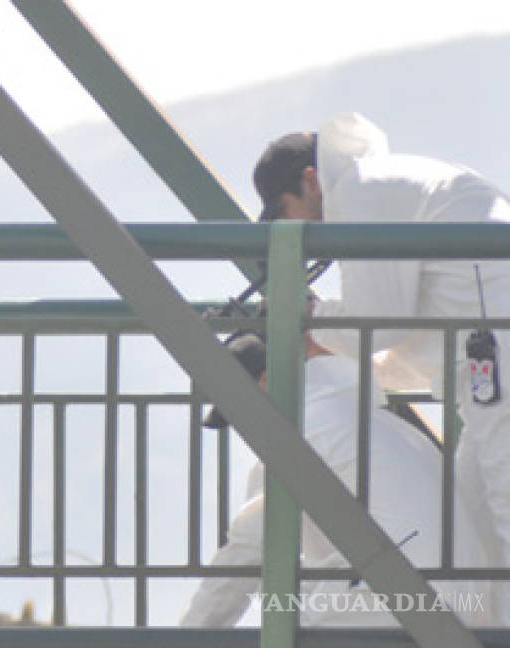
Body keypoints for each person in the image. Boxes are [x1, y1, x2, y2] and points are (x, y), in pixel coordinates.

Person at [252, 112, 510, 621]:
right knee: (478, 528)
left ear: (310, 181)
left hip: (496, 363)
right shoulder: (390, 182)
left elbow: (380, 324)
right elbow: (409, 337)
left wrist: (305, 315)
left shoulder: (359, 192)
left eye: (290, 214)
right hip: (489, 364)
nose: (304, 231)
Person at [181, 332, 495, 627]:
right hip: (470, 601)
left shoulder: (303, 432)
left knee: (280, 609)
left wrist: (193, 637)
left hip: (409, 599)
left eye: (236, 406)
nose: (240, 422)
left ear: (265, 382)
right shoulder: (365, 419)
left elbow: (248, 548)